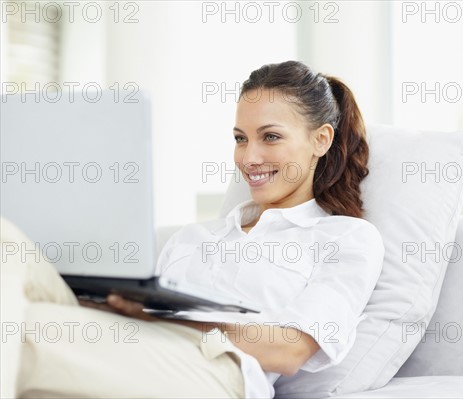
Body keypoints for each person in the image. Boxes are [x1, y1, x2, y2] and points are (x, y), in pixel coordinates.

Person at [1, 60, 384, 398]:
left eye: (270, 136)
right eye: (240, 139)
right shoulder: (194, 237)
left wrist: (160, 317)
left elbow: (289, 351)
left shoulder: (345, 239)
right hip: (136, 342)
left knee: (27, 332)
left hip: (216, 370)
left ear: (320, 140)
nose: (249, 158)